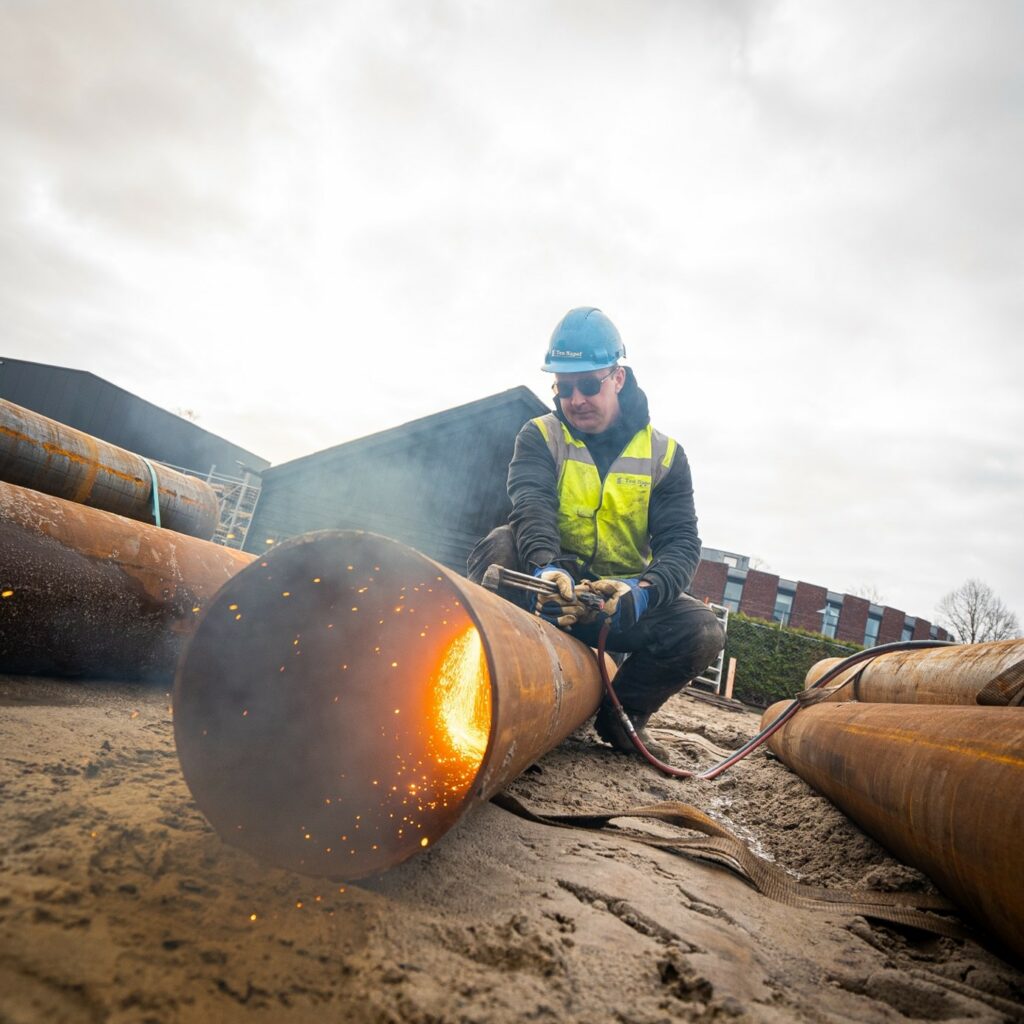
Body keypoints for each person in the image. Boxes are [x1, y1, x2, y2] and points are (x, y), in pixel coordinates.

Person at [468, 306, 724, 759]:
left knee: (700, 629)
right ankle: (475, 682)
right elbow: (531, 506)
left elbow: (681, 544)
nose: (576, 399)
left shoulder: (665, 456)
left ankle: (623, 719)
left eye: (589, 384)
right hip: (546, 589)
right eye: (564, 388)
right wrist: (546, 568)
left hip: (615, 605)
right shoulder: (539, 435)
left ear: (618, 377)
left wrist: (640, 593)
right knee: (499, 546)